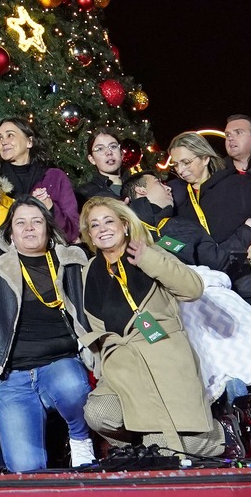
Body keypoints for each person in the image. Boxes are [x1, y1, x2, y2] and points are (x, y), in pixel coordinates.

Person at [78, 197, 221, 460]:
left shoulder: (149, 253)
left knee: (162, 449)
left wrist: (149, 260)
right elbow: (96, 325)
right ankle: (141, 448)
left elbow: (193, 289)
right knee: (99, 414)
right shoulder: (90, 270)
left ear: (125, 225)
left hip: (162, 356)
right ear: (89, 235)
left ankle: (218, 438)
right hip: (121, 365)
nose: (103, 229)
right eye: (94, 225)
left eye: (109, 221)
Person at [0, 198, 96, 472]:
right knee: (27, 469)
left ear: (48, 230)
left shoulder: (70, 260)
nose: (29, 228)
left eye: (37, 221)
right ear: (10, 233)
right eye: (20, 223)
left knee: (72, 387)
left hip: (59, 363)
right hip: (12, 378)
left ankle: (79, 436)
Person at [166, 131, 251, 333]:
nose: (181, 170)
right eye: (176, 165)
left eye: (186, 162)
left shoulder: (235, 185)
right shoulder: (182, 203)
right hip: (224, 300)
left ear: (205, 158)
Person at [0, 118, 79, 240]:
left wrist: (51, 208)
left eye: (10, 135)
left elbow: (72, 231)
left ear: (29, 141)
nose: (3, 142)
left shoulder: (55, 177)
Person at [76, 128, 131, 206]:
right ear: (92, 159)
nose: (109, 152)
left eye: (113, 147)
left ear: (121, 154)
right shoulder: (83, 195)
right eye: (100, 149)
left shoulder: (139, 185)